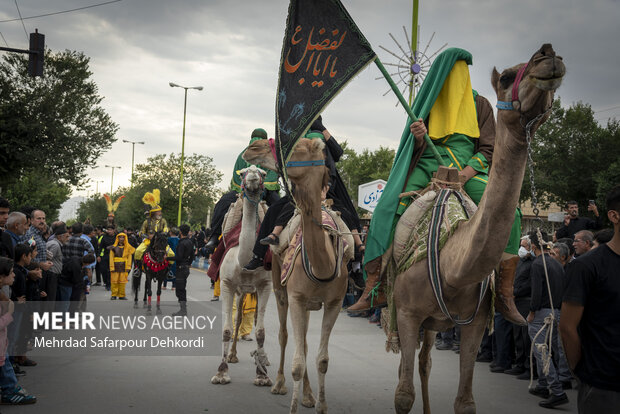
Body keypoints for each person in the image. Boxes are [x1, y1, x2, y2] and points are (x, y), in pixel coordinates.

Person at [351, 48, 524, 326]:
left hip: (468, 168)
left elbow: (489, 148)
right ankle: (377, 285)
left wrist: (464, 175)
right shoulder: (427, 101)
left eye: (464, 69)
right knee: (386, 207)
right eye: (454, 68)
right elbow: (413, 148)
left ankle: (504, 293)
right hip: (429, 164)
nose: (460, 75)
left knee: (511, 213)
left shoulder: (480, 104)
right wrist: (418, 137)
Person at [560, 185, 620, 413]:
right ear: (614, 216)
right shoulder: (586, 267)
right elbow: (567, 327)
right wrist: (583, 373)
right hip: (603, 387)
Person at [204, 128, 281, 254]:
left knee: (221, 204)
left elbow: (271, 176)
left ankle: (213, 238)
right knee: (223, 202)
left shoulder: (255, 154)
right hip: (245, 190)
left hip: (262, 189)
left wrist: (261, 186)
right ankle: (214, 237)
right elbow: (238, 177)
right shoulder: (247, 155)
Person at [526, 231, 569, 409]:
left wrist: (531, 312)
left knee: (541, 351)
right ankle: (543, 385)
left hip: (542, 313)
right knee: (548, 350)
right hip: (556, 311)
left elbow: (536, 291)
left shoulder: (538, 263)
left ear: (534, 246)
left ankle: (557, 391)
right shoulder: (556, 263)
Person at [0, 256, 36, 405]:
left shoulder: (3, 294)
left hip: (3, 346)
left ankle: (10, 389)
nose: (14, 275)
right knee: (6, 370)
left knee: (6, 368)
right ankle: (10, 391)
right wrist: (9, 314)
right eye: (11, 273)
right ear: (1, 277)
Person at [172, 224, 195, 316]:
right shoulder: (190, 242)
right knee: (182, 289)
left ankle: (183, 310)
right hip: (186, 268)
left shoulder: (181, 243)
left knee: (180, 290)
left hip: (181, 269)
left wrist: (167, 258)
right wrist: (188, 264)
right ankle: (183, 309)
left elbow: (178, 257)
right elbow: (192, 256)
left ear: (180, 232)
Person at [109, 233, 136, 300]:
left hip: (124, 265)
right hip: (115, 265)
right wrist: (111, 267)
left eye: (123, 237)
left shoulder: (128, 248)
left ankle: (121, 295)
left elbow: (130, 258)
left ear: (125, 238)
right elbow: (111, 257)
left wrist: (128, 267)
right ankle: (114, 295)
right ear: (117, 238)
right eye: (120, 237)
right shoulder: (113, 247)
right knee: (114, 281)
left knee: (122, 281)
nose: (121, 239)